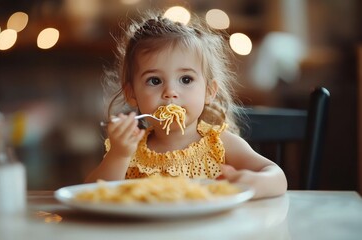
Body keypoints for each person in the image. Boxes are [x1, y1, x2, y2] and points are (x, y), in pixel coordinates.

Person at [85, 11, 287, 199]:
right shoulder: (129, 149)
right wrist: (119, 155)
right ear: (132, 94)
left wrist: (253, 183)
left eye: (186, 79)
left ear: (209, 91)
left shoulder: (220, 143)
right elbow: (91, 193)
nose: (170, 92)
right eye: (155, 81)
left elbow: (278, 178)